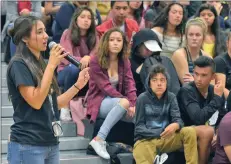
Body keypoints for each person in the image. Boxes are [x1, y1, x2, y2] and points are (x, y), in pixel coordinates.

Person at [6, 16, 89, 164]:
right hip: (28, 144)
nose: (46, 36)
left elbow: (54, 103)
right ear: (25, 38)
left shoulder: (41, 64)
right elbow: (36, 101)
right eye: (39, 32)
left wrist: (78, 85)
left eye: (45, 30)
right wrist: (51, 65)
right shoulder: (18, 64)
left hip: (50, 142)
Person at [87, 28, 137, 159]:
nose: (115, 43)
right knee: (125, 103)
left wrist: (133, 104)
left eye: (119, 40)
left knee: (139, 110)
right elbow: (106, 88)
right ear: (106, 42)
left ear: (123, 44)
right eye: (112, 40)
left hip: (117, 103)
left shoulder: (124, 61)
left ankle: (146, 144)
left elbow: (130, 84)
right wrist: (127, 102)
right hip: (99, 102)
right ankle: (99, 140)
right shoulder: (95, 60)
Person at [133, 64, 198, 164]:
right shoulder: (142, 99)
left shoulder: (171, 97)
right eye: (154, 80)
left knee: (189, 131)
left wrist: (176, 125)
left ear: (167, 83)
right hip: (146, 140)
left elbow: (178, 120)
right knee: (140, 148)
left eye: (162, 80)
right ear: (149, 83)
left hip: (167, 139)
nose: (159, 84)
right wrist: (160, 131)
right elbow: (139, 128)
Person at [177, 56, 227, 164]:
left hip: (209, 135)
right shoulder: (187, 91)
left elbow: (223, 118)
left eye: (204, 75)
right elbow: (198, 118)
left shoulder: (216, 91)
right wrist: (217, 99)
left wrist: (218, 134)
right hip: (184, 132)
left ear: (213, 76)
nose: (198, 79)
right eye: (196, 74)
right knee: (207, 131)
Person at [57, 7, 98, 121]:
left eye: (89, 18)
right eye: (83, 17)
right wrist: (83, 60)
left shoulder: (95, 36)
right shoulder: (67, 33)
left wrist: (88, 58)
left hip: (87, 71)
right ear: (76, 19)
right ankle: (65, 107)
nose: (86, 20)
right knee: (73, 69)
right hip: (65, 72)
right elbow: (65, 58)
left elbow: (97, 57)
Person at [172, 17, 211, 85]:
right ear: (186, 36)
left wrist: (194, 80)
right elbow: (187, 85)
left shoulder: (208, 57)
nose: (194, 38)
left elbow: (212, 86)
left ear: (203, 37)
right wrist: (203, 82)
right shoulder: (179, 54)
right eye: (191, 34)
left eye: (198, 35)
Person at [130, 28, 162, 96]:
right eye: (147, 49)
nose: (150, 52)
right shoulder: (128, 61)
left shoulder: (156, 59)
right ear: (138, 45)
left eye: (152, 49)